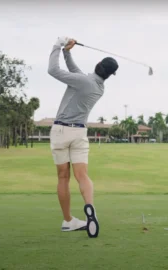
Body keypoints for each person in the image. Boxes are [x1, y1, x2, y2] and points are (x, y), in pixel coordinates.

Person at [47, 37, 119, 238]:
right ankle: (89, 207)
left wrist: (57, 45)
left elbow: (53, 70)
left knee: (63, 177)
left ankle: (68, 220)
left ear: (97, 65)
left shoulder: (83, 81)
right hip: (80, 133)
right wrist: (67, 52)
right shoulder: (97, 87)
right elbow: (76, 73)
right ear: (110, 75)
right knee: (82, 176)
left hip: (61, 132)